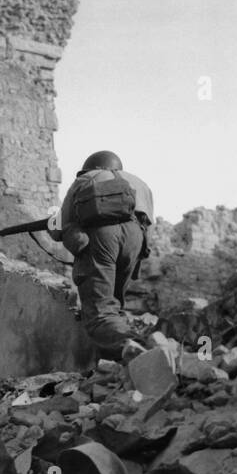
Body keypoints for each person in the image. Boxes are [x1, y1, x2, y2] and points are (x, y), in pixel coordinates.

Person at [51, 150, 153, 358]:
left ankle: (129, 346)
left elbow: (58, 227)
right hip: (135, 239)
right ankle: (116, 361)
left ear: (92, 167)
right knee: (114, 304)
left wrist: (51, 224)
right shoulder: (140, 184)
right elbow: (148, 226)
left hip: (102, 238)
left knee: (100, 312)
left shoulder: (87, 178)